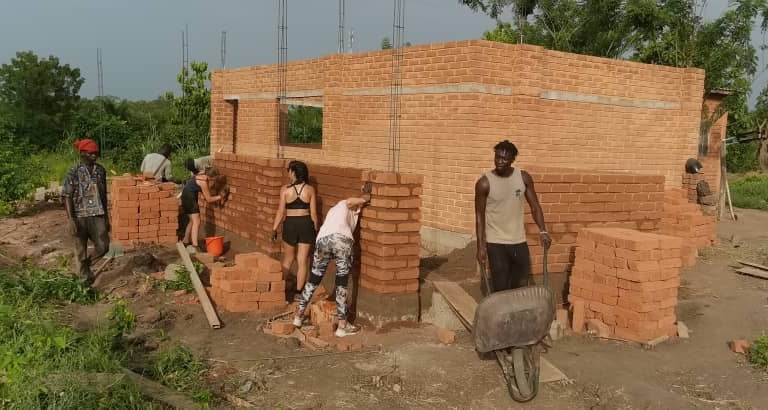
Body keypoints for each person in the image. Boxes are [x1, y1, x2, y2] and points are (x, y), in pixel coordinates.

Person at [292, 185, 372, 337]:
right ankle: (342, 326)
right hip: (341, 240)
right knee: (342, 283)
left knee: (313, 279)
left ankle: (298, 316)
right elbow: (350, 202)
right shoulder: (344, 204)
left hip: (322, 241)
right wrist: (365, 199)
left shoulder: (333, 211)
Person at [475, 140, 552, 293]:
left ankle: (518, 309)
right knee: (501, 287)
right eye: (497, 157)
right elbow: (479, 216)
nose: (499, 161)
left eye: (504, 159)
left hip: (518, 241)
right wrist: (480, 246)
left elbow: (535, 207)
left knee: (521, 285)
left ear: (512, 160)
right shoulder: (484, 183)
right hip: (496, 243)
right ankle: (501, 309)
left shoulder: (523, 178)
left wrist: (543, 230)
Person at [62, 139, 110, 284]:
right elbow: (67, 195)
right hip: (80, 216)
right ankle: (83, 282)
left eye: (96, 153)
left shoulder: (100, 170)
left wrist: (106, 217)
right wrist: (71, 219)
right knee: (80, 250)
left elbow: (103, 194)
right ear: (82, 154)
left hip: (97, 214)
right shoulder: (74, 171)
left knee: (103, 246)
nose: (94, 156)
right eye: (91, 153)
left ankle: (86, 266)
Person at [271, 161, 318, 300]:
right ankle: (298, 292)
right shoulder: (310, 189)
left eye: (289, 171)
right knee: (302, 260)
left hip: (290, 224)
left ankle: (278, 289)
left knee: (288, 259)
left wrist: (274, 229)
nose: (288, 174)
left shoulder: (285, 190)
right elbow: (314, 214)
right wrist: (316, 230)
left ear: (293, 172)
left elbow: (280, 212)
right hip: (306, 224)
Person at [180, 158, 225, 253]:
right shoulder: (203, 182)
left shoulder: (202, 174)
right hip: (189, 197)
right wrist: (221, 196)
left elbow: (206, 195)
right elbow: (208, 199)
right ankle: (195, 245)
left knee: (192, 220)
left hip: (186, 195)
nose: (215, 181)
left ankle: (186, 240)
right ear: (211, 177)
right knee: (197, 220)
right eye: (215, 179)